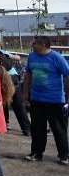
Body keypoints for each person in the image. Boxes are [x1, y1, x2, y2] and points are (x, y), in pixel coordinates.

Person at [22, 36, 69, 165]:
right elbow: (28, 74)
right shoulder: (32, 56)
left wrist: (68, 97)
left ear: (43, 45)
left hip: (55, 100)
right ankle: (36, 153)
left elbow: (67, 76)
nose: (32, 45)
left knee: (59, 129)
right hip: (37, 98)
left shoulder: (57, 58)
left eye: (34, 43)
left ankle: (64, 155)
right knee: (37, 128)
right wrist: (25, 91)